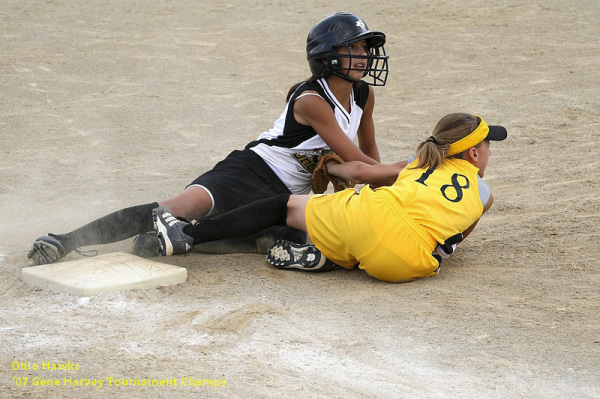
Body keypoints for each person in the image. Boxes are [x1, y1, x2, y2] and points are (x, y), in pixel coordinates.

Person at [27, 12, 390, 265]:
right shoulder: (313, 100)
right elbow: (355, 161)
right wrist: (404, 179)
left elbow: (369, 150)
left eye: (363, 49)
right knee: (177, 209)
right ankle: (64, 241)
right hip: (249, 171)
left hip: (284, 196)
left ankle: (192, 242)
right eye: (352, 48)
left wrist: (383, 188)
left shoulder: (363, 95)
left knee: (303, 237)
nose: (362, 57)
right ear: (326, 57)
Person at [153, 113, 507, 283]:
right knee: (409, 242)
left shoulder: (416, 164)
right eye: (488, 144)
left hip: (370, 216)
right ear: (473, 156)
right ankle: (332, 258)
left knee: (286, 206)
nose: (489, 151)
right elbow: (454, 237)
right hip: (405, 266)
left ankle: (186, 236)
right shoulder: (483, 195)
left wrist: (333, 169)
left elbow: (362, 174)